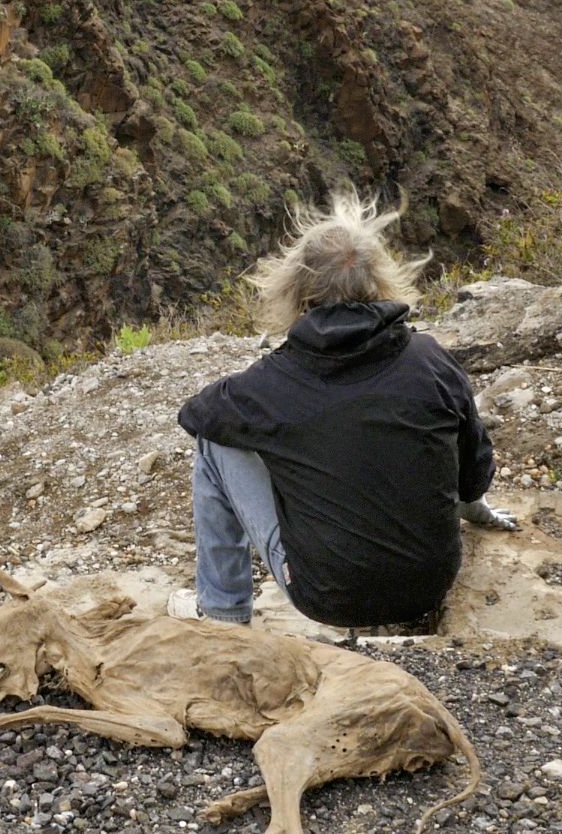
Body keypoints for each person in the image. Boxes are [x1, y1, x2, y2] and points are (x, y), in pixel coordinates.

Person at [172, 188, 515, 628]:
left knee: (216, 444)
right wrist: (474, 505)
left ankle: (222, 614)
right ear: (379, 283)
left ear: (297, 292)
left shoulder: (271, 385)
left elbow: (196, 415)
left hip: (328, 597)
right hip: (428, 584)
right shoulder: (429, 359)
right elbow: (472, 459)